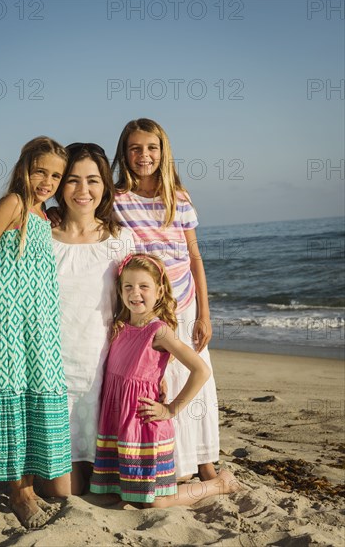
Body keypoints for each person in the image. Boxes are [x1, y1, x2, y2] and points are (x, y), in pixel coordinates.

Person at [0, 143, 135, 495]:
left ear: (105, 187)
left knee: (108, 486)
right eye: (73, 180)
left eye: (93, 180)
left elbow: (139, 308)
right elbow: (1, 260)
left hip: (99, 372)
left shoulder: (120, 240)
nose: (83, 191)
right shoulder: (38, 230)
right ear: (59, 186)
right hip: (46, 368)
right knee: (61, 491)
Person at [0, 136, 72, 529]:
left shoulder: (44, 213)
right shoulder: (13, 203)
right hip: (6, 315)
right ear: (25, 167)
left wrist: (54, 209)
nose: (47, 180)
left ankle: (28, 480)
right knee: (9, 392)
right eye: (41, 170)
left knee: (33, 393)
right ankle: (18, 491)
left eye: (56, 175)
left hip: (39, 320)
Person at [112, 118, 220, 481]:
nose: (144, 155)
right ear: (124, 154)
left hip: (185, 301)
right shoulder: (116, 200)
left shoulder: (178, 196)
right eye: (136, 148)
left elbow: (195, 258)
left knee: (196, 378)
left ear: (163, 151)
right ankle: (177, 460)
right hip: (147, 307)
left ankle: (205, 460)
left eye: (152, 148)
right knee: (162, 380)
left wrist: (204, 313)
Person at [90, 254, 238, 507]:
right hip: (117, 422)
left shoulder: (158, 331)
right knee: (115, 492)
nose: (135, 293)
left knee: (156, 503)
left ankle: (217, 484)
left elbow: (201, 370)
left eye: (143, 286)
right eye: (128, 287)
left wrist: (171, 409)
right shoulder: (119, 325)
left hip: (145, 426)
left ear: (159, 291)